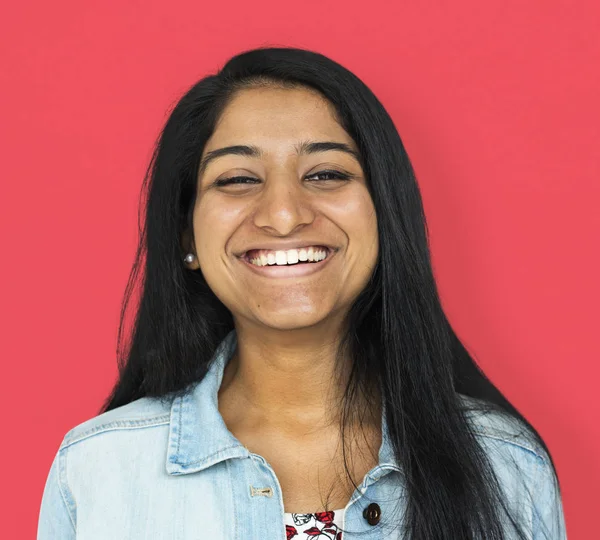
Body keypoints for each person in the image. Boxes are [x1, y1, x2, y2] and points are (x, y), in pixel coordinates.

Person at [37, 46, 567, 539]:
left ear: (385, 214)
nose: (285, 214)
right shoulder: (95, 471)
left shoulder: (505, 464)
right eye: (238, 179)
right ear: (187, 237)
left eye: (326, 173)